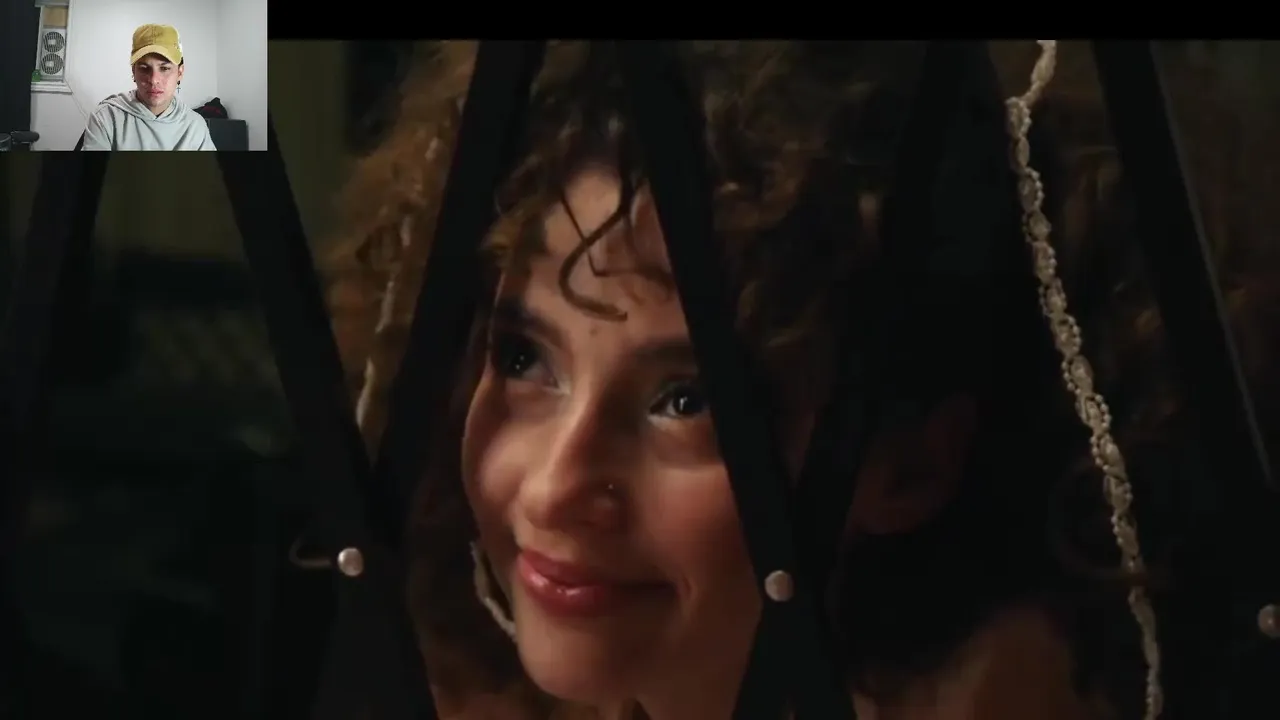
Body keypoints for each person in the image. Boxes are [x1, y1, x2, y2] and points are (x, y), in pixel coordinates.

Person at [326, 41, 1280, 719]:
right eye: (523, 357)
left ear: (909, 467)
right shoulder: (472, 678)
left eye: (687, 401)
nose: (553, 488)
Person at [80, 24, 215, 151]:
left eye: (164, 68)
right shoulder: (106, 117)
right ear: (134, 72)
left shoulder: (195, 126)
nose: (154, 80)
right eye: (144, 68)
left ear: (180, 72)